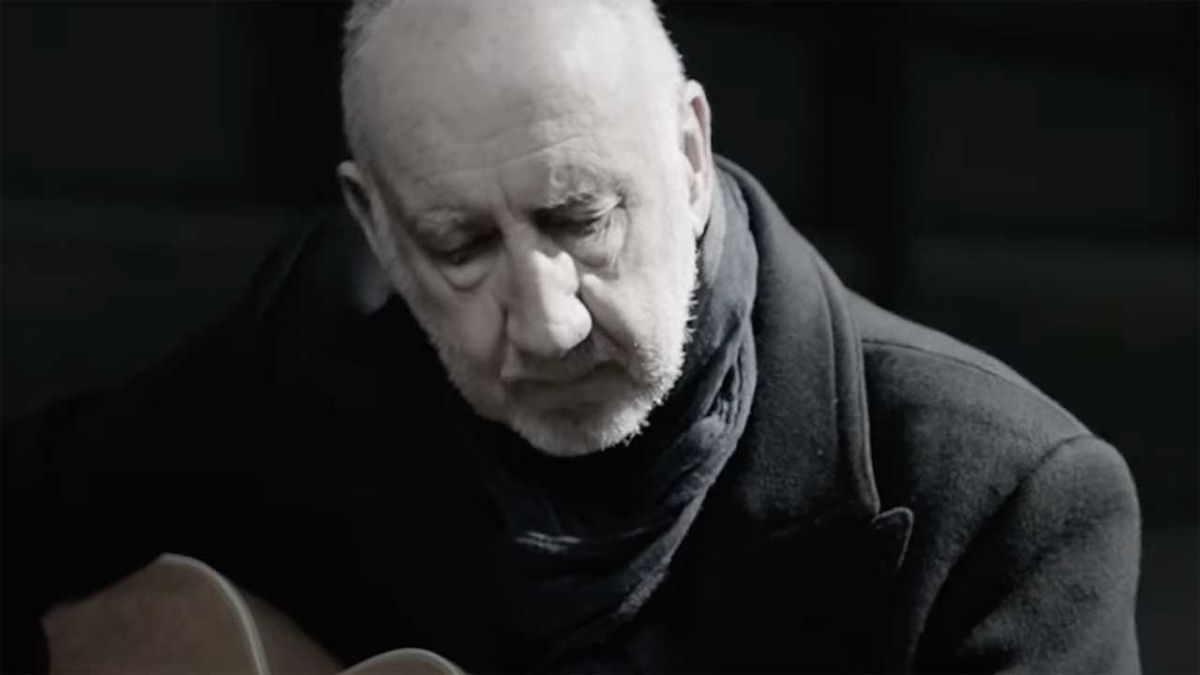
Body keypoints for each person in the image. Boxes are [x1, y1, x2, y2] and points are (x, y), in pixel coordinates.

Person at [2, 0, 1141, 672]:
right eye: (460, 245)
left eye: (581, 219)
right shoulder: (312, 362)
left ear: (689, 158)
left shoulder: (1007, 506)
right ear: (378, 228)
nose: (545, 325)